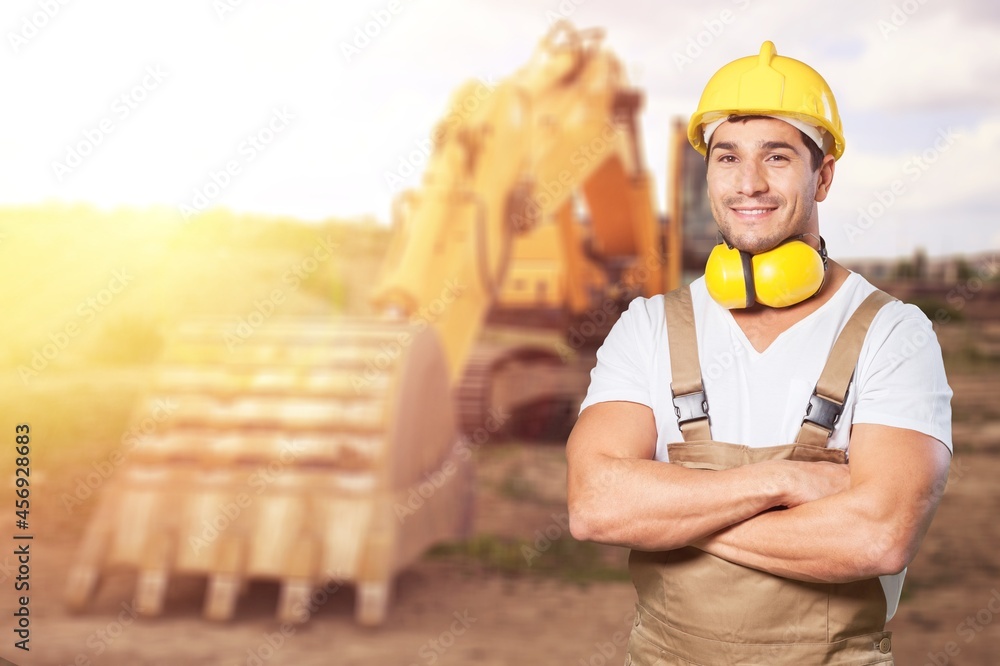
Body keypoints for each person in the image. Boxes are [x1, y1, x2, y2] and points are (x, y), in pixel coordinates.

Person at [566, 41, 953, 665]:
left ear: (822, 175)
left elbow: (878, 536)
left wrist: (675, 513)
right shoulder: (648, 326)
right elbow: (594, 504)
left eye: (776, 157)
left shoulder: (891, 332)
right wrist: (785, 481)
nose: (748, 183)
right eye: (728, 157)